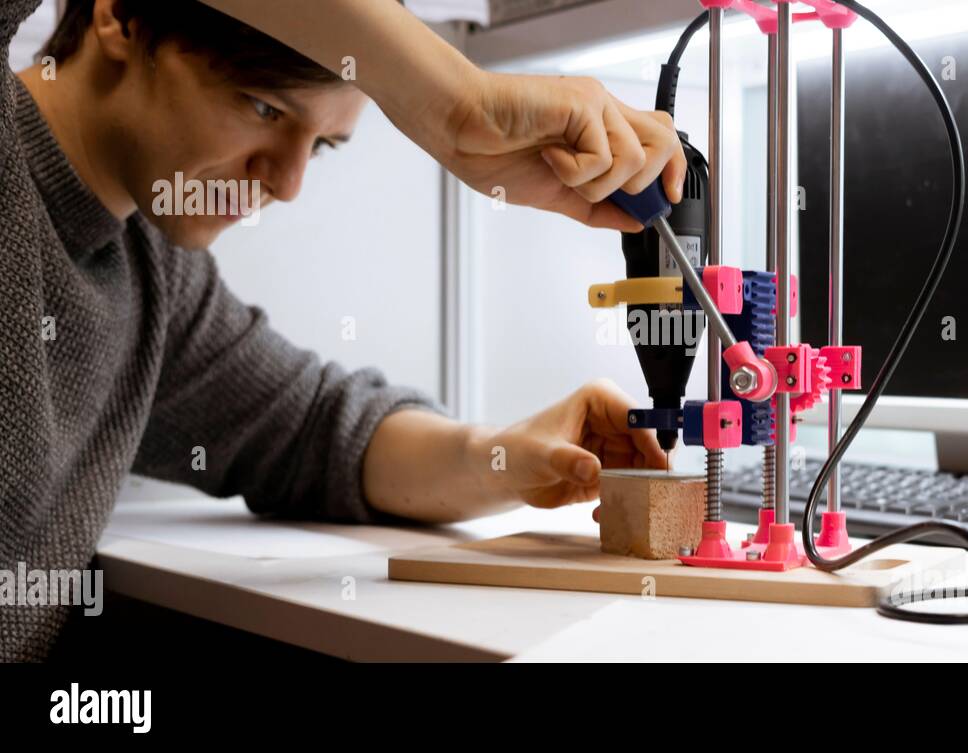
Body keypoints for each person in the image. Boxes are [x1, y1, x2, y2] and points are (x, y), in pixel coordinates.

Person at [0, 0, 686, 661]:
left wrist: (506, 455)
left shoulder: (152, 273)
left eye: (322, 146)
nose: (289, 181)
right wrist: (458, 101)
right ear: (119, 15)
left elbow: (312, 432)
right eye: (263, 105)